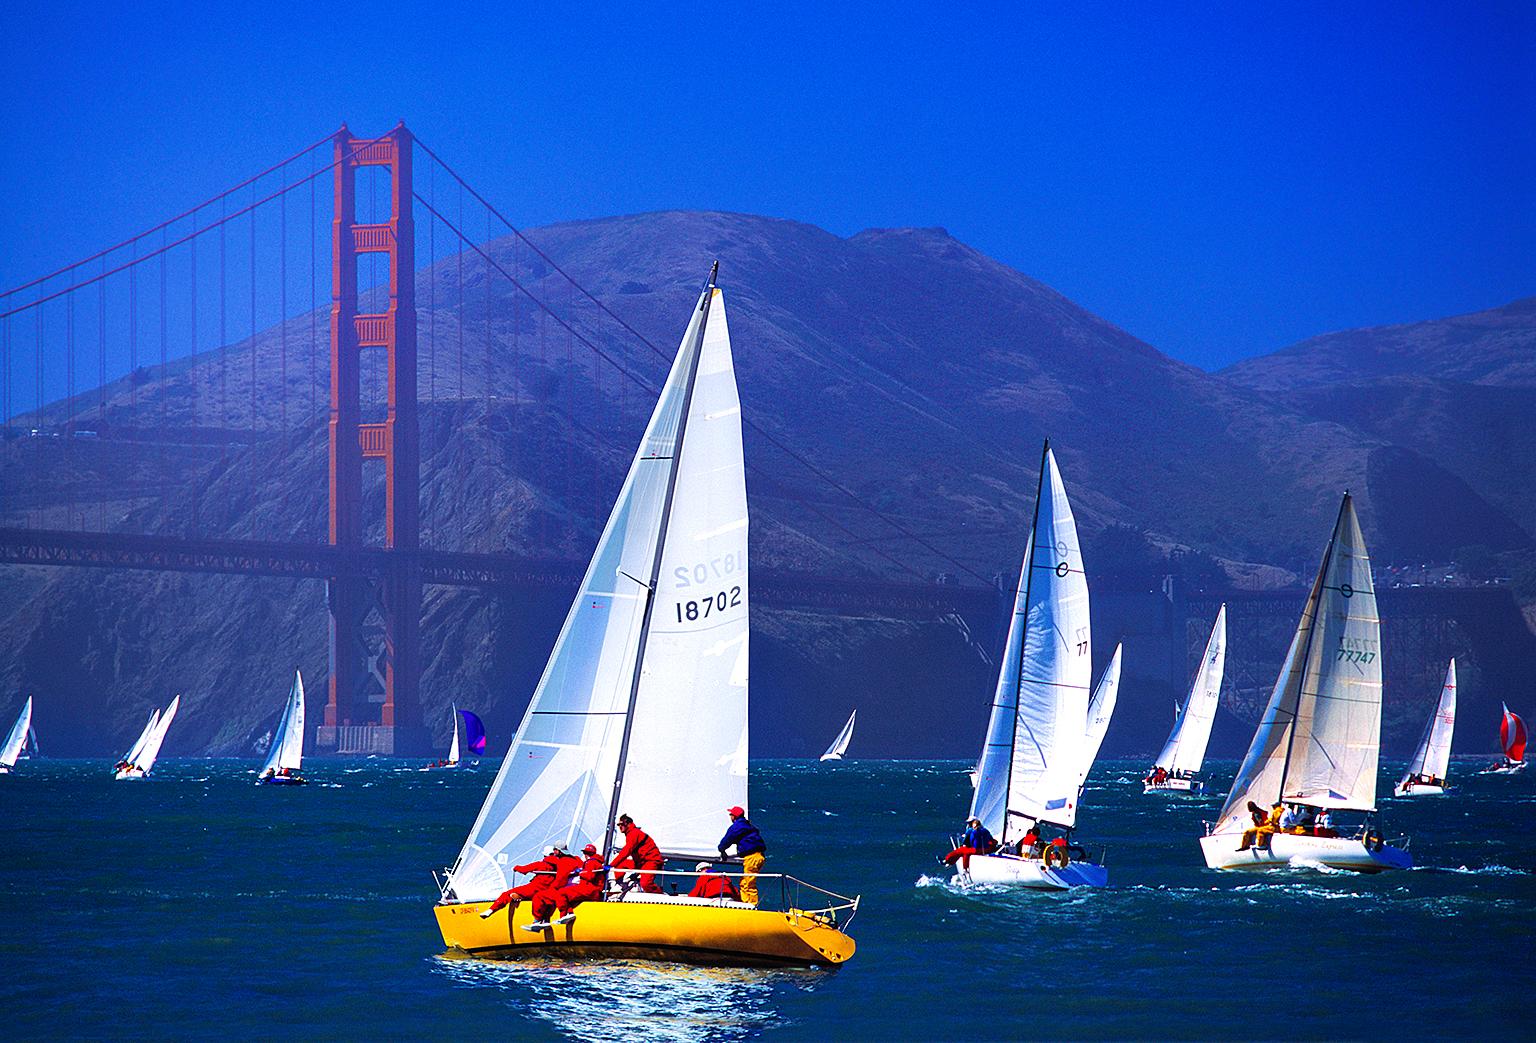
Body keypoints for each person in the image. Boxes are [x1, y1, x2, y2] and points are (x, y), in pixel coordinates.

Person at [481, 844, 576, 919]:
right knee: (542, 899)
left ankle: (491, 910)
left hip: (533, 888)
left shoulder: (540, 864)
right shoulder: (560, 865)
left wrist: (516, 867)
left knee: (506, 893)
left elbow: (523, 869)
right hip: (547, 891)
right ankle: (520, 898)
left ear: (545, 855)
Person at [532, 843, 606, 926]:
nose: (585, 855)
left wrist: (580, 873)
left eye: (586, 853)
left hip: (590, 890)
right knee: (563, 893)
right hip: (589, 889)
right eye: (585, 852)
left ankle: (558, 916)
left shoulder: (590, 863)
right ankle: (557, 916)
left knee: (559, 893)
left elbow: (588, 876)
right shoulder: (582, 861)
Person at [719, 806, 767, 905]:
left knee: (749, 884)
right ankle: (745, 903)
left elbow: (727, 840)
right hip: (758, 857)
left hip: (752, 858)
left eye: (731, 814)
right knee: (744, 882)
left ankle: (752, 905)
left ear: (734, 816)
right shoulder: (747, 825)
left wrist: (721, 850)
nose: (729, 816)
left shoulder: (737, 827)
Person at [611, 814, 665, 894]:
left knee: (645, 883)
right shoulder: (630, 834)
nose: (620, 827)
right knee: (620, 864)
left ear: (628, 824)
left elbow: (627, 850)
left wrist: (611, 865)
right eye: (618, 825)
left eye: (622, 824)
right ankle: (620, 885)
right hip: (640, 863)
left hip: (650, 861)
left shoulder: (634, 833)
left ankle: (660, 896)